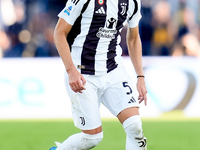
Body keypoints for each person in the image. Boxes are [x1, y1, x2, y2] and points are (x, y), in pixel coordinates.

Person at [51, 0, 147, 149]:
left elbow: (133, 38)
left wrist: (140, 76)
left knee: (135, 126)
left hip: (114, 71)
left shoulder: (132, 2)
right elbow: (59, 32)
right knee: (92, 138)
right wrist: (71, 71)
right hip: (82, 74)